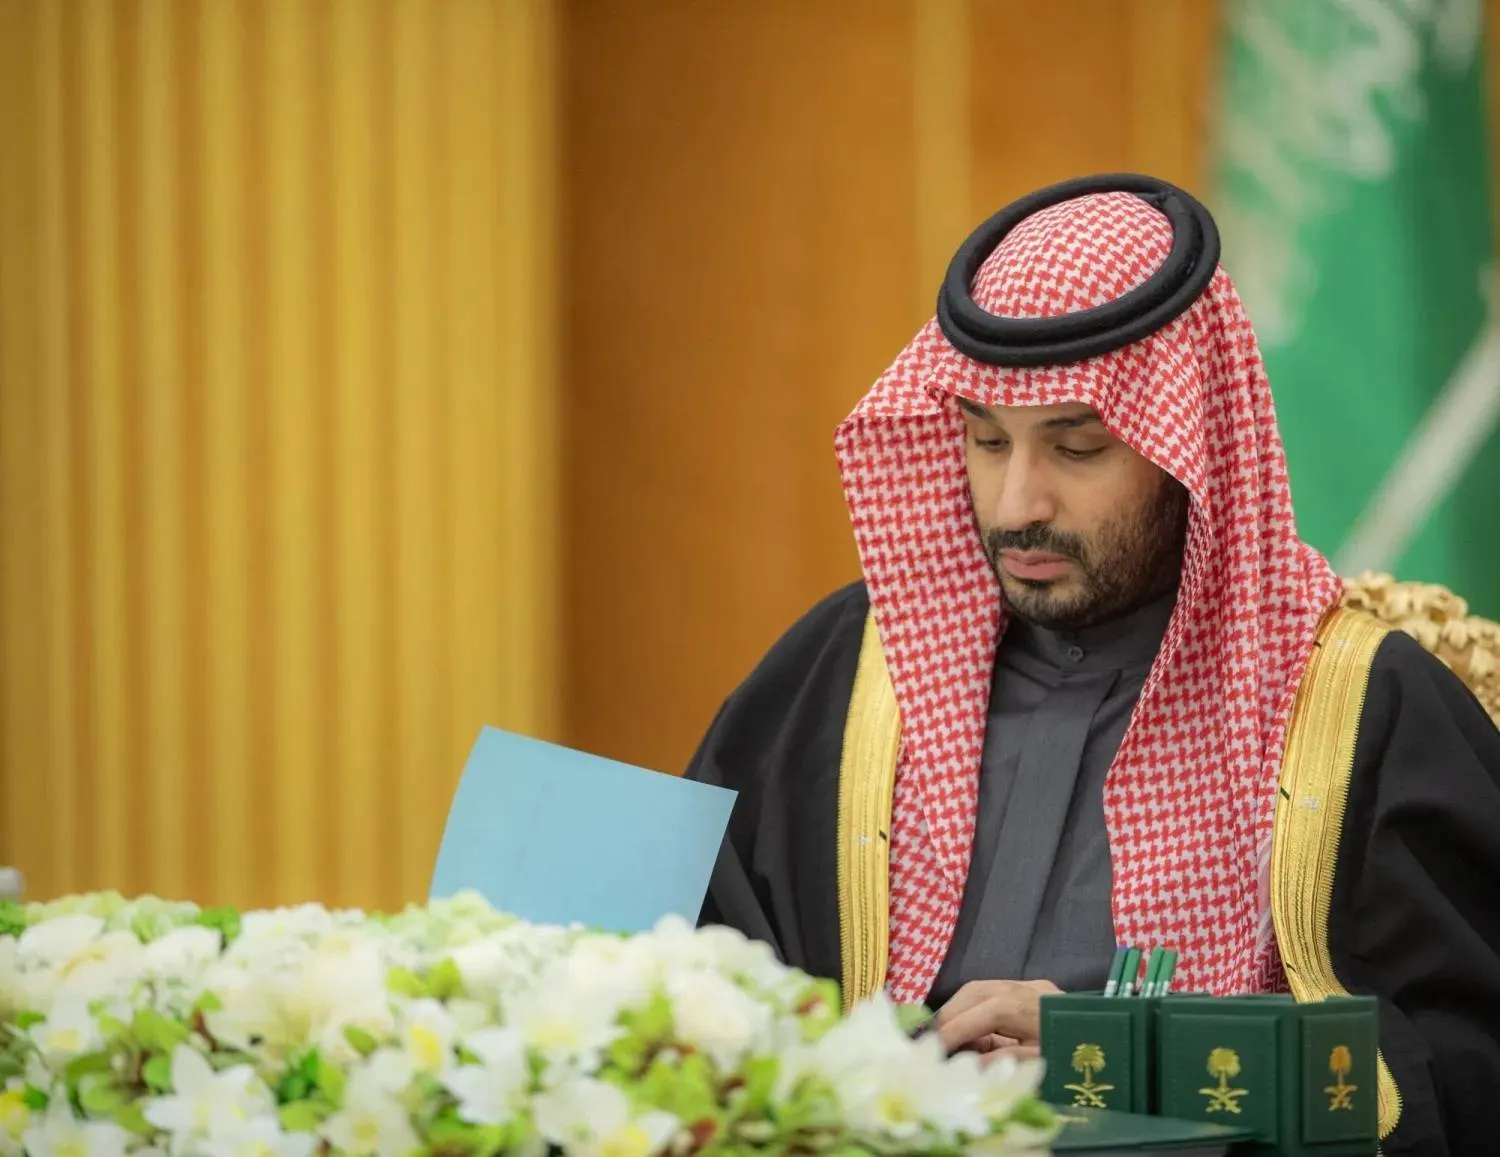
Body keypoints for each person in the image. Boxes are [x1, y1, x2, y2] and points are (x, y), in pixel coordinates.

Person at [685, 174, 1500, 1156]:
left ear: (1185, 447)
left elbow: (1462, 1078)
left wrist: (1127, 1053)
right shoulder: (845, 678)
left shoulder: (1360, 709)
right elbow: (691, 984)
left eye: (1075, 447)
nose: (1017, 504)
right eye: (987, 440)